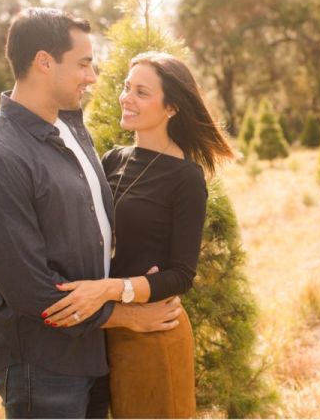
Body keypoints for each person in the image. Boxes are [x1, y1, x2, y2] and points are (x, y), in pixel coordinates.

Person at [0, 8, 183, 419]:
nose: (92, 77)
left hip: (92, 350)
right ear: (44, 62)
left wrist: (133, 278)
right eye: (83, 63)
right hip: (43, 365)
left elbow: (89, 228)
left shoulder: (69, 125)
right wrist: (131, 316)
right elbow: (33, 292)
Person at [41, 51, 235, 418]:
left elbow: (181, 275)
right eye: (127, 87)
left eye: (142, 92)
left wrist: (110, 289)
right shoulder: (113, 159)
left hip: (152, 332)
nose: (127, 98)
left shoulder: (186, 178)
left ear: (172, 107)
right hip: (102, 330)